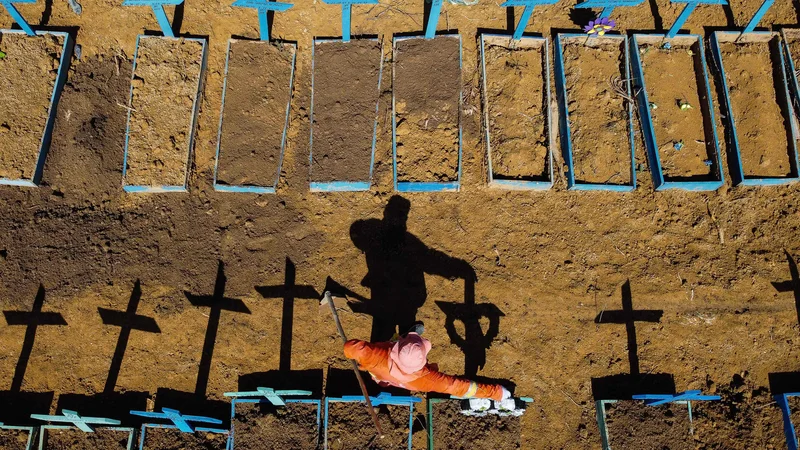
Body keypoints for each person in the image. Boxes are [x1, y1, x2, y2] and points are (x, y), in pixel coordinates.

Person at [343, 331, 511, 401]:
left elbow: (352, 348)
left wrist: (351, 352)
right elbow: (461, 387)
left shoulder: (376, 356)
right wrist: (496, 392)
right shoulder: (428, 379)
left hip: (383, 377)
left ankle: (402, 336)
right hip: (409, 383)